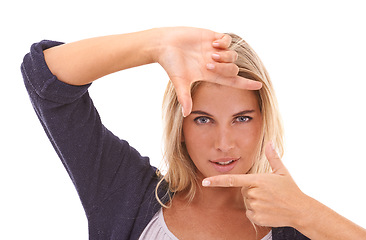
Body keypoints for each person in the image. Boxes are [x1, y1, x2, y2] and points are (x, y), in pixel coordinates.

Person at [21, 27, 366, 240]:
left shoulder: (296, 226)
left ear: (264, 120)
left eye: (242, 118)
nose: (223, 143)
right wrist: (155, 45)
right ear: (180, 126)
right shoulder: (123, 190)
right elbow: (45, 79)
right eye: (203, 119)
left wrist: (305, 213)